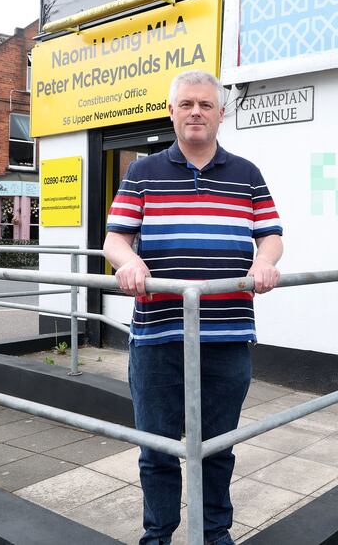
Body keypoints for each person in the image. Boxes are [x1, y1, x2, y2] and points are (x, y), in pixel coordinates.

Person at [103, 69, 283, 545]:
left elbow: (271, 235)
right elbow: (115, 239)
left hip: (226, 337)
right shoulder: (141, 173)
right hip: (159, 335)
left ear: (221, 113)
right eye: (187, 104)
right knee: (157, 448)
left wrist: (265, 263)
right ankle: (157, 535)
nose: (196, 112)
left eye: (205, 104)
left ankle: (214, 534)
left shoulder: (247, 174)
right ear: (172, 112)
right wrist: (130, 261)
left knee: (218, 448)